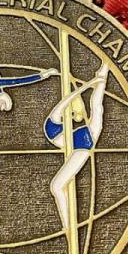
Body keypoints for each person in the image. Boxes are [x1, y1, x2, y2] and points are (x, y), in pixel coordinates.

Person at [44, 64, 109, 240]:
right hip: (81, 143)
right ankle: (68, 227)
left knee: (57, 187)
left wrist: (92, 83)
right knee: (57, 187)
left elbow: (71, 102)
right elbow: (66, 101)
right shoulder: (54, 121)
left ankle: (68, 227)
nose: (75, 114)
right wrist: (88, 84)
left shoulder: (57, 124)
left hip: (82, 145)